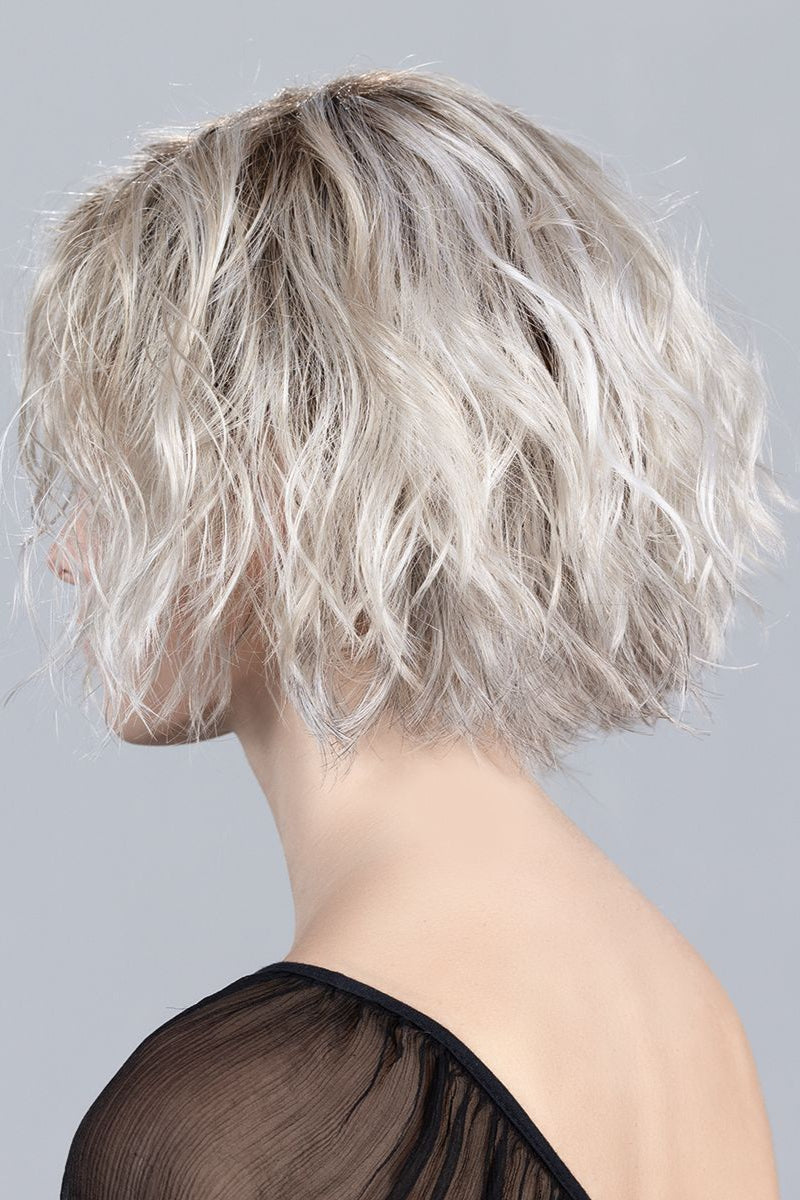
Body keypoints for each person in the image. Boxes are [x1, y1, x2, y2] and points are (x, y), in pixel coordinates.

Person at [11, 65, 792, 1199]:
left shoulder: (235, 1124)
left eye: (110, 480)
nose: (68, 552)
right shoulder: (683, 1016)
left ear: (269, 483)